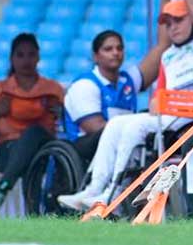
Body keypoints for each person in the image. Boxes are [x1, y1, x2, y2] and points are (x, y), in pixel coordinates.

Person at [59, 0, 193, 211]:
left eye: (179, 20)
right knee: (116, 124)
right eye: (168, 23)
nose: (173, 27)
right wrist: (156, 101)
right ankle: (94, 189)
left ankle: (110, 193)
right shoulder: (169, 55)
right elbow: (161, 90)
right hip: (171, 112)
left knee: (134, 126)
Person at [62, 23, 167, 164]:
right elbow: (94, 127)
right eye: (108, 49)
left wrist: (166, 1)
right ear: (95, 56)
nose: (115, 53)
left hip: (123, 143)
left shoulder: (128, 80)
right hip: (86, 149)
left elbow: (162, 48)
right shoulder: (84, 85)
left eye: (119, 48)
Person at [0, 32, 65, 207]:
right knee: (28, 156)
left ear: (38, 57)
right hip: (9, 149)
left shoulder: (53, 89)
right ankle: (33, 214)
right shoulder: (0, 89)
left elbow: (66, 125)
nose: (26, 60)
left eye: (31, 54)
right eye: (20, 55)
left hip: (46, 146)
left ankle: (2, 187)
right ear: (12, 59)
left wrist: (62, 114)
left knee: (34, 132)